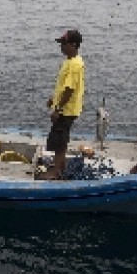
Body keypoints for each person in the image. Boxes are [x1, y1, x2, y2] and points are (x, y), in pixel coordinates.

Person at [39, 28, 85, 180]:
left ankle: (56, 172)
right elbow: (63, 86)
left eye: (64, 44)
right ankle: (60, 166)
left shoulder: (75, 65)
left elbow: (69, 90)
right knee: (60, 138)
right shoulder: (70, 61)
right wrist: (54, 99)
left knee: (59, 141)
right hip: (65, 108)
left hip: (67, 110)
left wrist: (58, 109)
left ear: (73, 45)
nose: (61, 47)